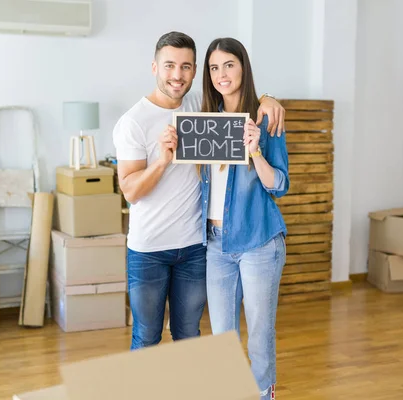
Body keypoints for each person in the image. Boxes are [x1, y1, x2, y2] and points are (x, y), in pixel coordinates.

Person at [112, 31, 285, 350]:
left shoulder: (199, 106)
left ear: (195, 71)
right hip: (149, 248)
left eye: (186, 66)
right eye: (169, 66)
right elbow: (130, 191)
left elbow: (238, 96)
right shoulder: (133, 122)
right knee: (147, 336)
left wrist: (268, 99)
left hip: (194, 246)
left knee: (189, 337)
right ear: (154, 67)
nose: (177, 75)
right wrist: (162, 162)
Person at [199, 37, 289, 400]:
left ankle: (263, 396)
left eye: (229, 65)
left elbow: (279, 185)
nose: (222, 74)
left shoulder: (265, 118)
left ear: (243, 67)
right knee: (222, 335)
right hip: (216, 244)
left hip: (259, 243)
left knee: (259, 333)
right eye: (214, 67)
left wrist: (256, 153)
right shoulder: (203, 121)